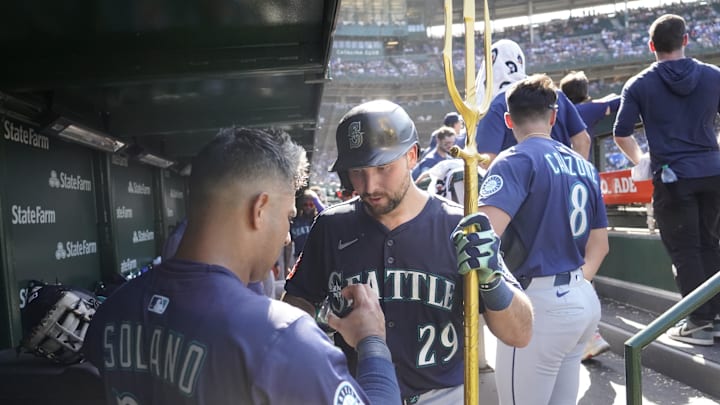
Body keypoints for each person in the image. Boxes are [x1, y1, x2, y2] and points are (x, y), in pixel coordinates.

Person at [82, 127, 402, 404]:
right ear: (259, 209)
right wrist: (371, 340)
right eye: (288, 217)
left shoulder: (114, 310)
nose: (288, 237)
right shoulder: (281, 337)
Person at [283, 99, 533, 404]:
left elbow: (520, 334)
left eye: (382, 167)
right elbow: (297, 300)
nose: (369, 184)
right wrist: (319, 319)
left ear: (412, 155)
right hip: (359, 392)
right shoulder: (332, 225)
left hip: (444, 396)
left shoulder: (458, 225)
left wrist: (493, 284)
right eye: (358, 171)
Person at [478, 74, 609, 404]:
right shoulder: (583, 165)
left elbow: (484, 240)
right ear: (554, 116)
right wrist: (573, 285)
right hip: (582, 296)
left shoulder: (514, 160)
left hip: (538, 303)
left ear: (509, 121)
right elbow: (600, 245)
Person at [613, 14, 720, 346]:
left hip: (673, 178)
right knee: (711, 243)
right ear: (686, 39)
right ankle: (714, 316)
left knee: (685, 250)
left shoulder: (639, 83)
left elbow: (621, 133)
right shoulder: (714, 76)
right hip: (713, 172)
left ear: (651, 46)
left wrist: (641, 159)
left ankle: (700, 323)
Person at [560, 70, 621, 361]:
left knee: (571, 259)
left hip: (558, 191)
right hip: (584, 189)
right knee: (586, 256)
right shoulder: (586, 108)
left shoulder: (556, 111)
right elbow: (619, 101)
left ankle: (587, 333)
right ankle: (588, 333)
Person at [474, 39, 591, 166]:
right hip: (561, 178)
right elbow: (583, 141)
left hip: (520, 181)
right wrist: (573, 175)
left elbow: (486, 161)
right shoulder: (556, 95)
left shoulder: (496, 106)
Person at [560, 70, 621, 164]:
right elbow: (620, 101)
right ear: (584, 91)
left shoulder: (558, 111)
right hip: (579, 168)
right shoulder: (587, 110)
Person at [290, 188, 324, 262]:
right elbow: (289, 244)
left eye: (311, 205)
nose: (308, 207)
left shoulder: (319, 219)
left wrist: (315, 199)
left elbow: (326, 213)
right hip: (299, 258)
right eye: (306, 205)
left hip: (317, 257)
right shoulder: (295, 221)